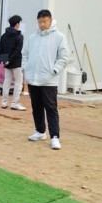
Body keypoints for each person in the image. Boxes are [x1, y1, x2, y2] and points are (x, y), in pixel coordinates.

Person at [22, 9, 70, 150]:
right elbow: (25, 55)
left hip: (49, 80)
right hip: (33, 79)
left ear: (50, 20)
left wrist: (54, 70)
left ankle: (54, 136)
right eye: (40, 22)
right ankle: (40, 131)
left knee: (51, 108)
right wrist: (26, 69)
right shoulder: (32, 37)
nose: (42, 24)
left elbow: (64, 57)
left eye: (45, 21)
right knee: (36, 107)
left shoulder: (59, 37)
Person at [0, 14, 26, 111]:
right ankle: (15, 103)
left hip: (6, 62)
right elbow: (18, 50)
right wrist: (10, 60)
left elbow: (0, 49)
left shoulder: (4, 36)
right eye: (19, 23)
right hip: (16, 63)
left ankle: (4, 102)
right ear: (17, 24)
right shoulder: (19, 36)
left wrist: (5, 60)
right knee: (18, 82)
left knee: (7, 81)